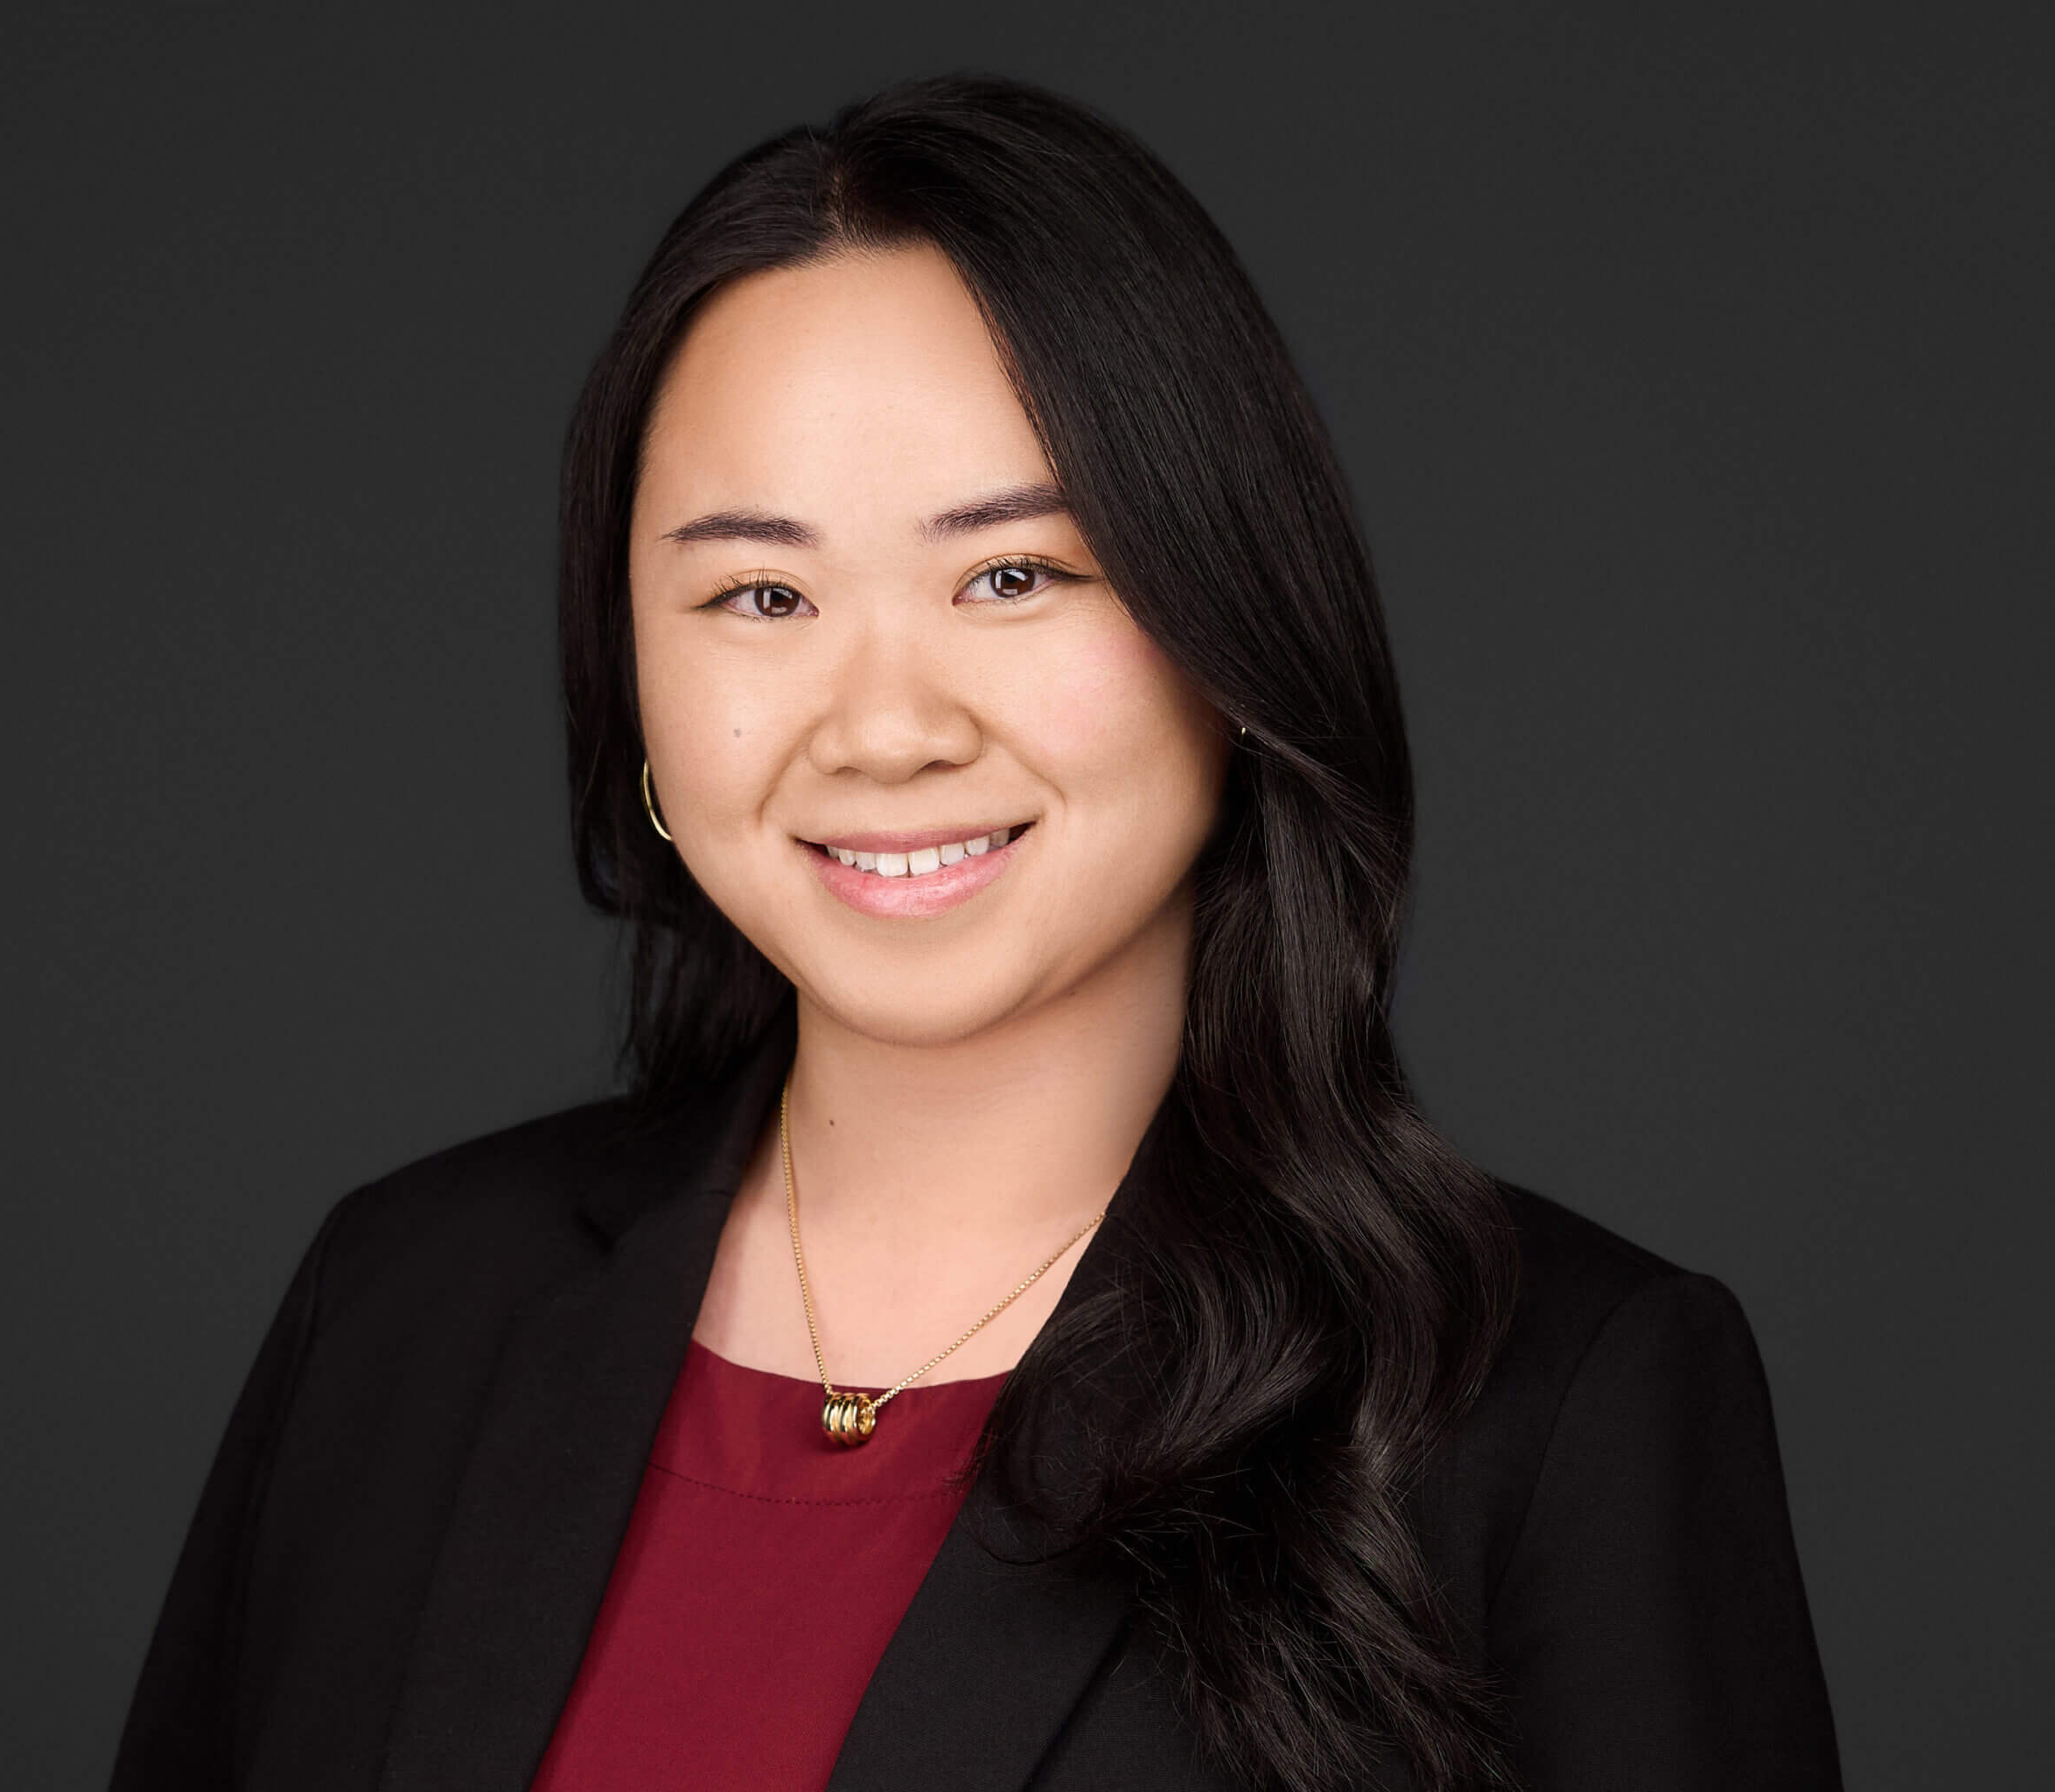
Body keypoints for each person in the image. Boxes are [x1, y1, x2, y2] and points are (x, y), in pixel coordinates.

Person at [109, 74, 1841, 1792]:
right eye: (759, 595)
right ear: (627, 670)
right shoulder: (407, 1306)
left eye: (1012, 575)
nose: (881, 727)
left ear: (1226, 624)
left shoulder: (1552, 1408)